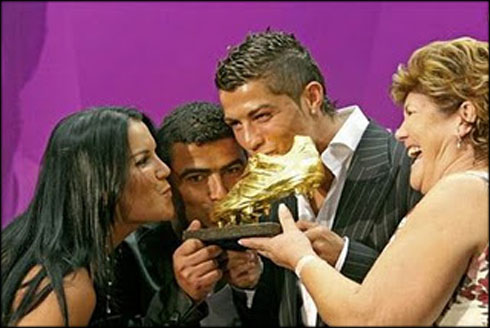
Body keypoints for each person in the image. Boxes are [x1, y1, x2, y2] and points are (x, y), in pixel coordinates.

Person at [239, 37, 489, 326]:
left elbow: (371, 320)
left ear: (465, 117)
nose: (400, 132)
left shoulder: (462, 193)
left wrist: (301, 257)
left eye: (411, 114)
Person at [214, 29, 422, 326]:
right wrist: (244, 284)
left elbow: (428, 293)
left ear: (312, 97)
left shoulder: (404, 165)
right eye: (236, 124)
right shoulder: (273, 176)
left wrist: (345, 257)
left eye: (261, 117)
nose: (249, 140)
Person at [1, 106, 177, 326]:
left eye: (156, 155)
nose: (164, 170)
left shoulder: (78, 257)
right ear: (97, 184)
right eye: (142, 161)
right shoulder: (68, 287)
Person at [124, 101, 262, 326]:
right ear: (168, 181)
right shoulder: (133, 255)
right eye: (197, 178)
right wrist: (182, 297)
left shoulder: (278, 234)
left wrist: (252, 289)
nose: (220, 193)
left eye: (232, 170)